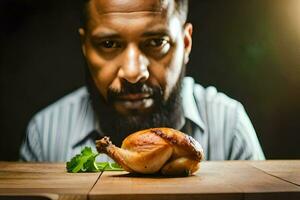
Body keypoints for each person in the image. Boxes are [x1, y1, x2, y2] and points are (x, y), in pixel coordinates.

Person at [19, 0, 265, 162]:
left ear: (186, 43)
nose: (134, 73)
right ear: (85, 47)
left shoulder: (229, 129)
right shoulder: (45, 135)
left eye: (157, 42)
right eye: (108, 44)